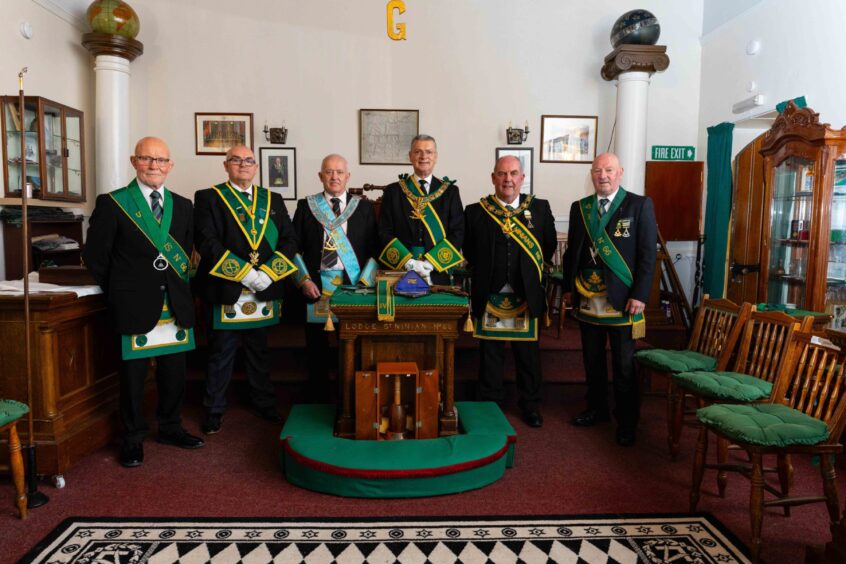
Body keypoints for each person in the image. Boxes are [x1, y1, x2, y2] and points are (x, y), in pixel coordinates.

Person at [83, 136, 203, 468]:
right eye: (147, 159)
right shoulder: (114, 203)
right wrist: (120, 290)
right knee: (133, 378)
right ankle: (132, 438)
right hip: (134, 303)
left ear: (170, 165)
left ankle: (170, 427)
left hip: (175, 303)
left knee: (174, 374)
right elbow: (96, 256)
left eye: (161, 160)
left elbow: (187, 254)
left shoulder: (183, 206)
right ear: (134, 161)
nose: (154, 166)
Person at [193, 145, 298, 434]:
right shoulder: (209, 198)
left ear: (256, 167)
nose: (243, 164)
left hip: (263, 287)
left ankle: (263, 403)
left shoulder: (272, 199)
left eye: (249, 160)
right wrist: (244, 274)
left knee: (259, 352)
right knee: (220, 353)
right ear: (226, 165)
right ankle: (213, 410)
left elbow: (290, 240)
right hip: (227, 287)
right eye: (236, 160)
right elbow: (206, 241)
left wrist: (267, 273)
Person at [563, 152, 657, 446]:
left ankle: (627, 422)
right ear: (591, 175)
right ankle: (597, 409)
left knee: (624, 366)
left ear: (620, 173)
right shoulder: (580, 208)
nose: (602, 175)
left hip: (624, 300)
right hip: (589, 299)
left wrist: (641, 294)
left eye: (608, 170)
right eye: (597, 171)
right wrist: (568, 288)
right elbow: (572, 255)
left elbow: (647, 255)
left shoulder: (639, 205)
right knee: (592, 361)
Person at [464, 156, 557, 428]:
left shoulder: (539, 208)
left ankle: (530, 405)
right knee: (490, 354)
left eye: (513, 173)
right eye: (502, 174)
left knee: (528, 356)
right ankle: (490, 406)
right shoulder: (475, 211)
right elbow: (469, 250)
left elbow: (548, 246)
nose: (508, 179)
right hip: (489, 295)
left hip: (525, 295)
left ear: (522, 178)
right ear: (493, 177)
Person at [291, 154, 379, 401]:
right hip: (316, 286)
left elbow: (375, 249)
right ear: (320, 176)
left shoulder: (362, 207)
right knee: (316, 348)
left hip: (353, 288)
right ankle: (318, 395)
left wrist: (365, 282)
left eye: (339, 172)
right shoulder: (306, 206)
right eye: (329, 172)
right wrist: (303, 280)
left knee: (351, 345)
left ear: (348, 176)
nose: (334, 177)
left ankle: (351, 396)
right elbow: (293, 248)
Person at [377, 134, 464, 284]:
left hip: (438, 272)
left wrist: (431, 263)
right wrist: (408, 262)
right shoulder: (393, 191)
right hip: (401, 270)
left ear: (435, 157)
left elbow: (458, 232)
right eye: (418, 152)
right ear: (410, 156)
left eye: (429, 152)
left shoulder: (450, 192)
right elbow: (384, 231)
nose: (424, 156)